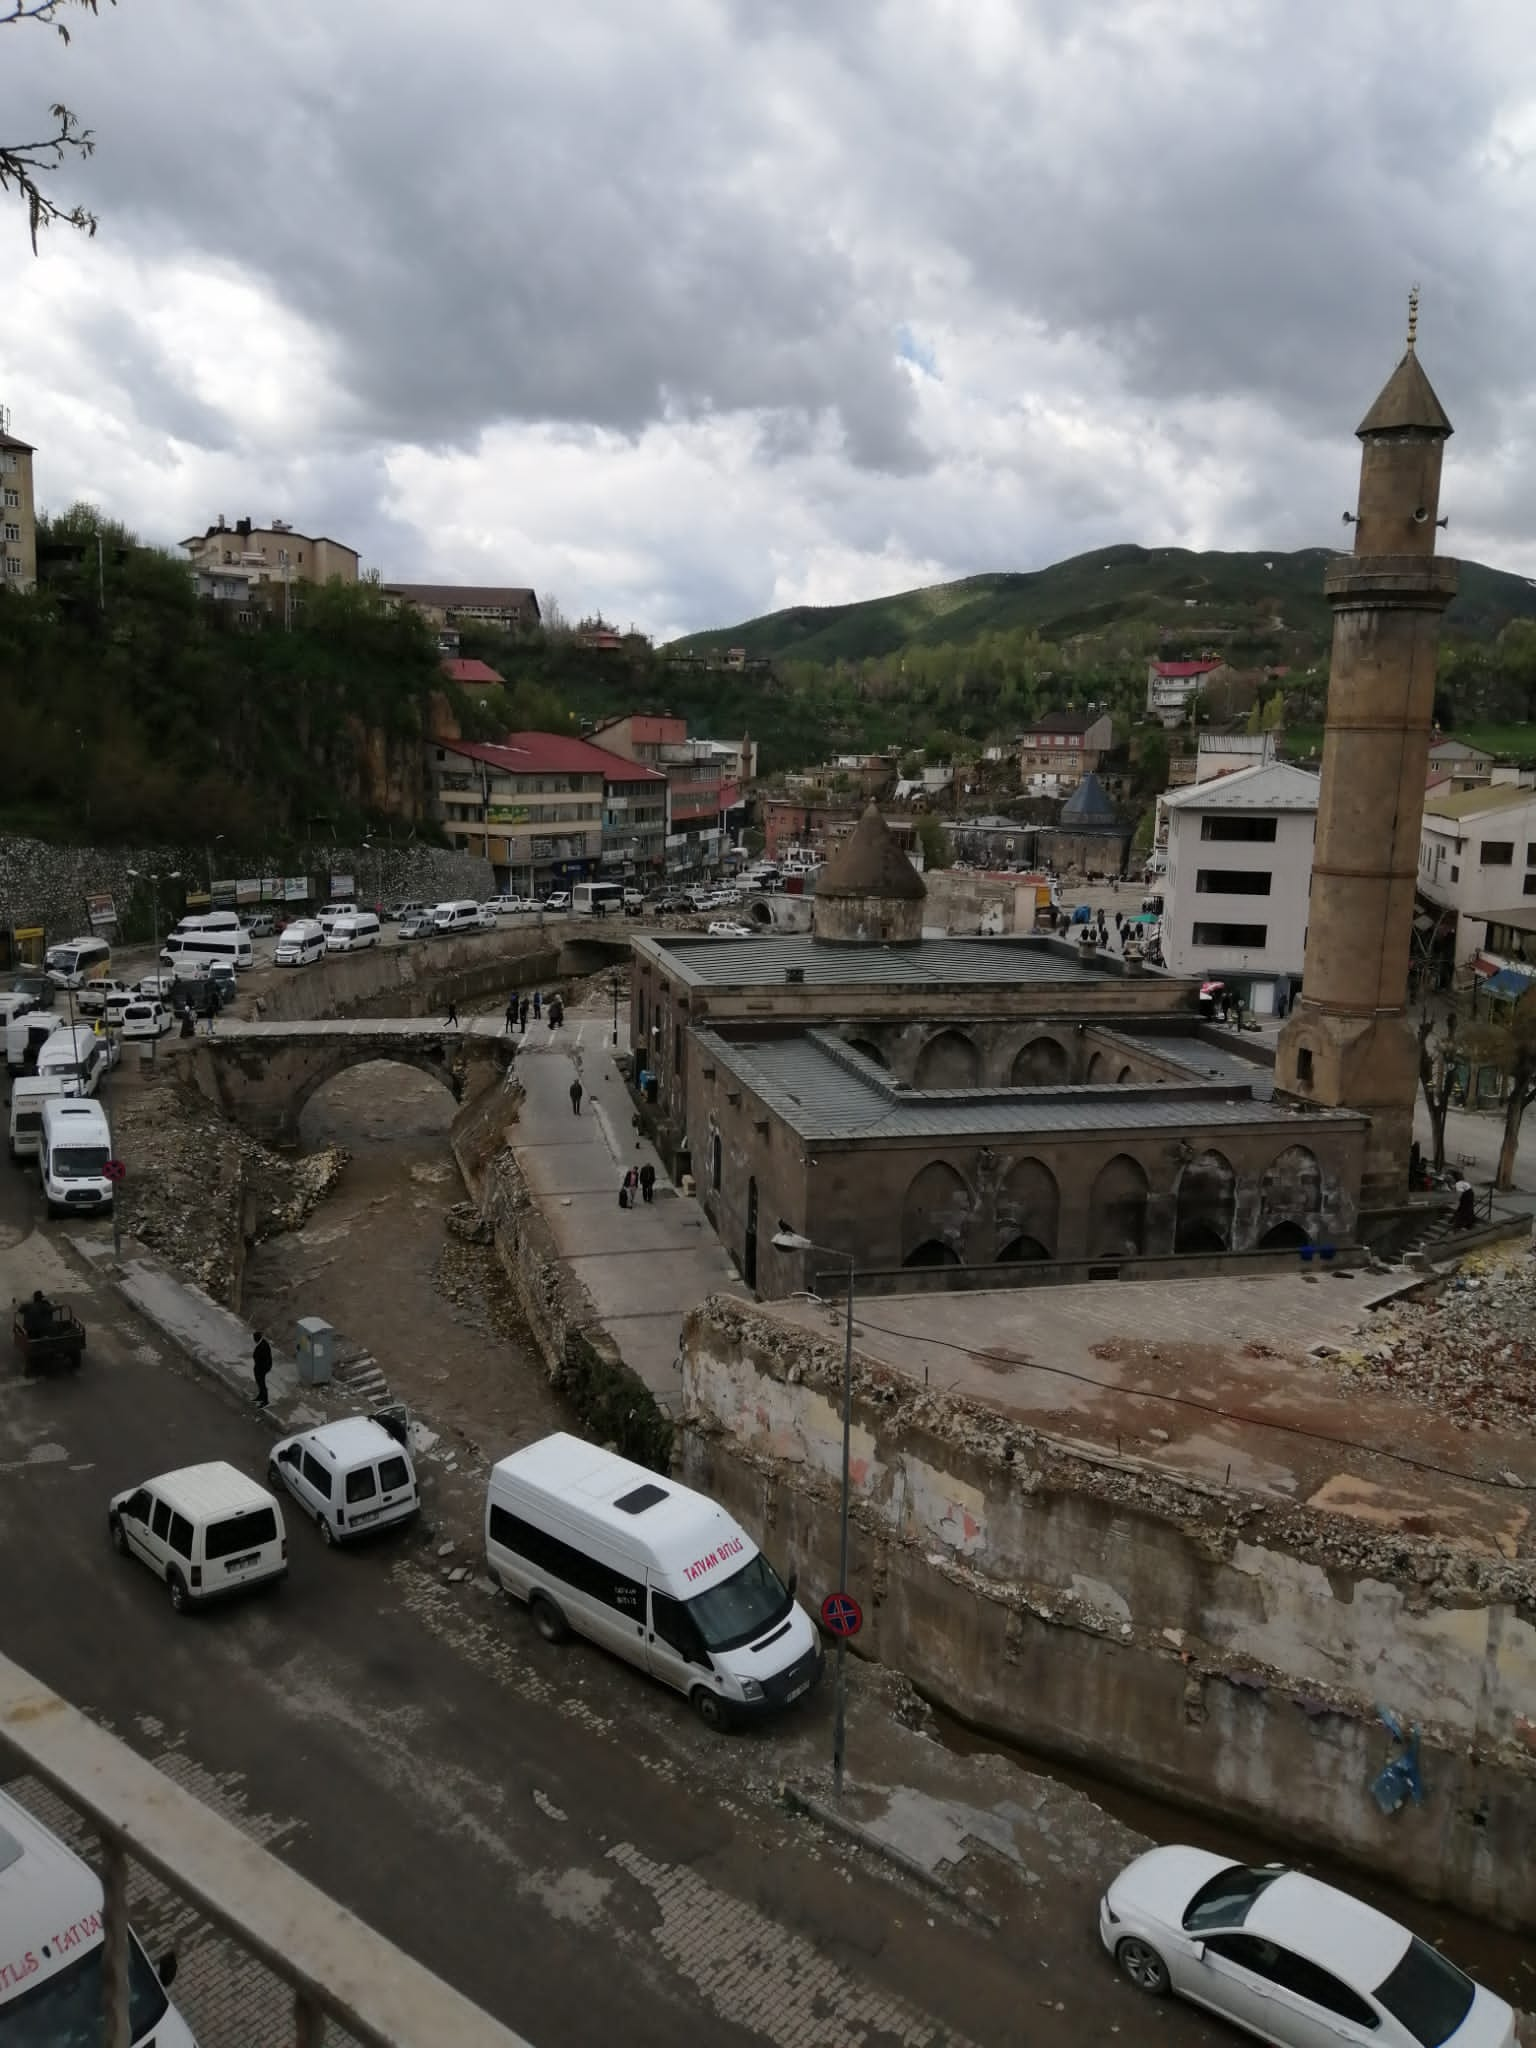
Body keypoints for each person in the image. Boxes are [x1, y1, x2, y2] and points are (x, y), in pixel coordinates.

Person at [251, 1329, 273, 1408]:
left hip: (262, 1368)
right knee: (259, 1383)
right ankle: (260, 1396)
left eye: (254, 1339)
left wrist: (261, 1370)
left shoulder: (263, 1346)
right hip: (259, 1367)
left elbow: (265, 1360)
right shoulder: (262, 1343)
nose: (253, 1340)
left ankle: (265, 1401)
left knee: (262, 1384)